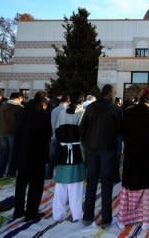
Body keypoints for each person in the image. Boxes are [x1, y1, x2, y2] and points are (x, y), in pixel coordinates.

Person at [118, 88, 149, 230]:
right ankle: (145, 221)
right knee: (146, 188)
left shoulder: (128, 113)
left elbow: (123, 133)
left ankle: (123, 219)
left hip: (131, 156)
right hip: (147, 158)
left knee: (129, 189)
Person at [80, 84, 122, 229]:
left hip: (92, 150)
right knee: (106, 185)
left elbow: (82, 128)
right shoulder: (115, 109)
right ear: (111, 94)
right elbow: (119, 131)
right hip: (108, 151)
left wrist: (88, 144)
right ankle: (106, 218)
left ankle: (88, 216)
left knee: (91, 183)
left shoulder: (91, 108)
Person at [13, 91, 52, 221]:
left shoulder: (22, 113)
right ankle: (31, 213)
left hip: (22, 154)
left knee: (21, 184)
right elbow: (47, 135)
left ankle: (18, 211)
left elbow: (17, 133)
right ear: (43, 103)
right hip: (37, 156)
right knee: (35, 187)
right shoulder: (43, 115)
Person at [52, 91, 85, 223]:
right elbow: (84, 134)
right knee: (75, 185)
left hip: (62, 151)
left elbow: (57, 131)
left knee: (60, 185)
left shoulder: (61, 112)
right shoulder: (82, 113)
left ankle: (57, 214)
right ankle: (77, 215)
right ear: (82, 101)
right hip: (76, 151)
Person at [0, 92, 24, 177]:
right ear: (19, 97)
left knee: (3, 154)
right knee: (12, 155)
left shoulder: (3, 106)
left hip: (2, 132)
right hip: (13, 133)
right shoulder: (19, 107)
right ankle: (10, 173)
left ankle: (0, 173)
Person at [47, 93, 70, 179]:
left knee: (52, 158)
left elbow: (52, 123)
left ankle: (49, 174)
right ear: (68, 101)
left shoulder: (54, 110)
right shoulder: (65, 110)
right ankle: (60, 175)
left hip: (53, 136)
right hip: (62, 138)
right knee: (61, 158)